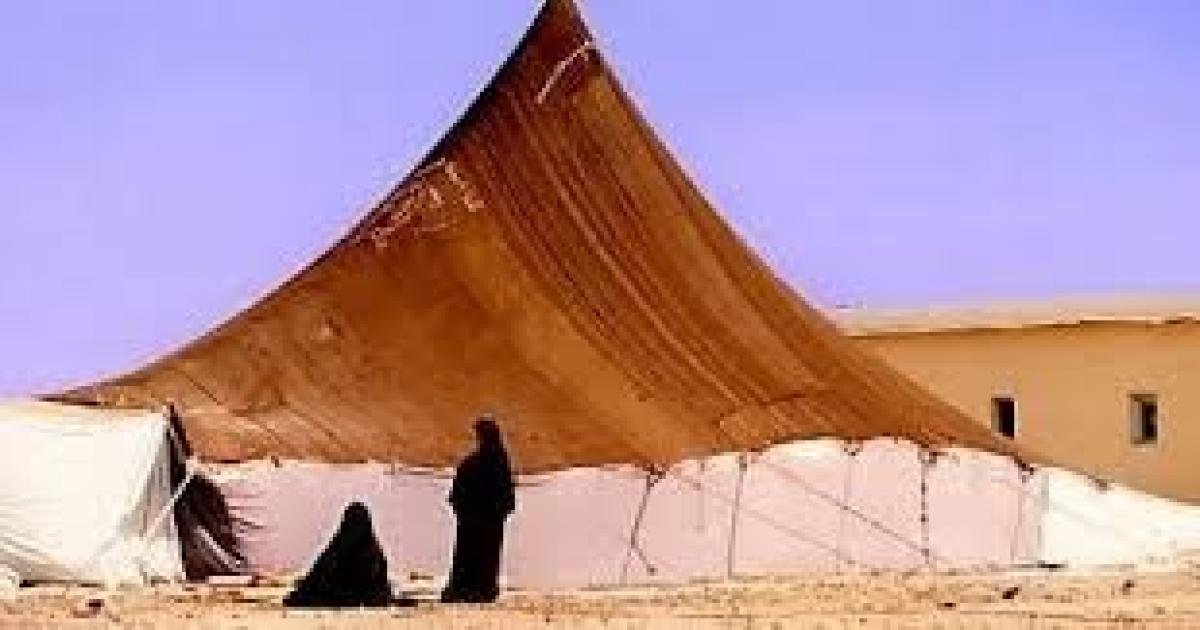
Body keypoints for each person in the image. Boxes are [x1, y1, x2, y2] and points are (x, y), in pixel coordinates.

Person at [441, 415, 516, 603]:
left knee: (471, 555)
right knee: (484, 556)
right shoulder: (495, 461)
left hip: (477, 521)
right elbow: (507, 496)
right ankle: (480, 589)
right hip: (485, 521)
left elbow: (458, 493)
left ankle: (469, 589)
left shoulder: (478, 463)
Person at [283, 501, 393, 608]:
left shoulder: (370, 552)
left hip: (349, 594)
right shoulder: (338, 549)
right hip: (344, 593)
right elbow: (318, 574)